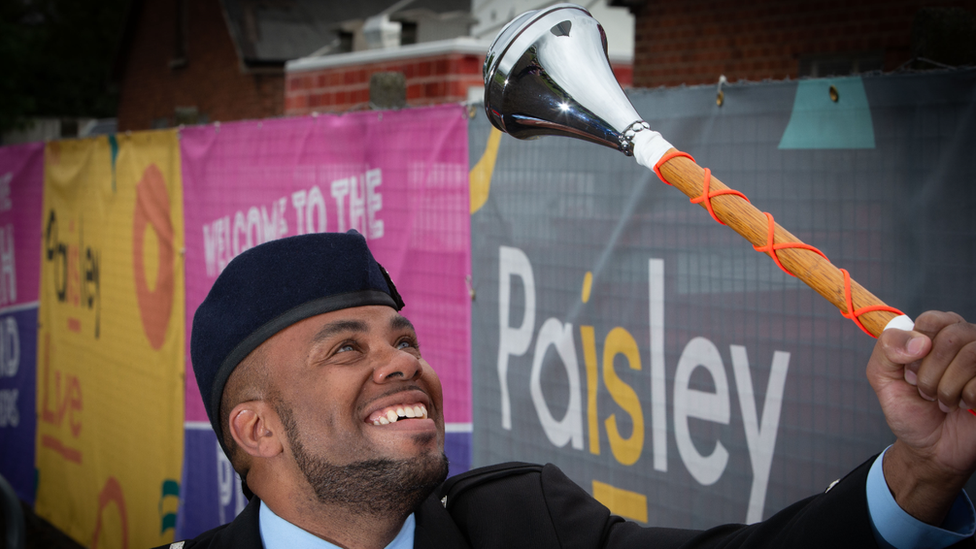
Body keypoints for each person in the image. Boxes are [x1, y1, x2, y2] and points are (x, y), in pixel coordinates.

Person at [158, 231, 976, 549]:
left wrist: (922, 470)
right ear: (257, 429)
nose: (402, 361)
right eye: (347, 347)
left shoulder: (525, 524)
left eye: (402, 338)